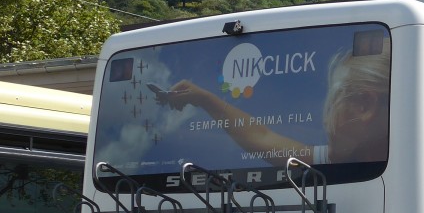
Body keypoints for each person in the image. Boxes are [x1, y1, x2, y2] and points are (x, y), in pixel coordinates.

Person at [165, 46, 389, 166]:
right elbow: (261, 137)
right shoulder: (335, 159)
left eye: (332, 102)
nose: (324, 120)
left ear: (364, 106)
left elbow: (262, 138)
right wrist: (204, 98)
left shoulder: (337, 159)